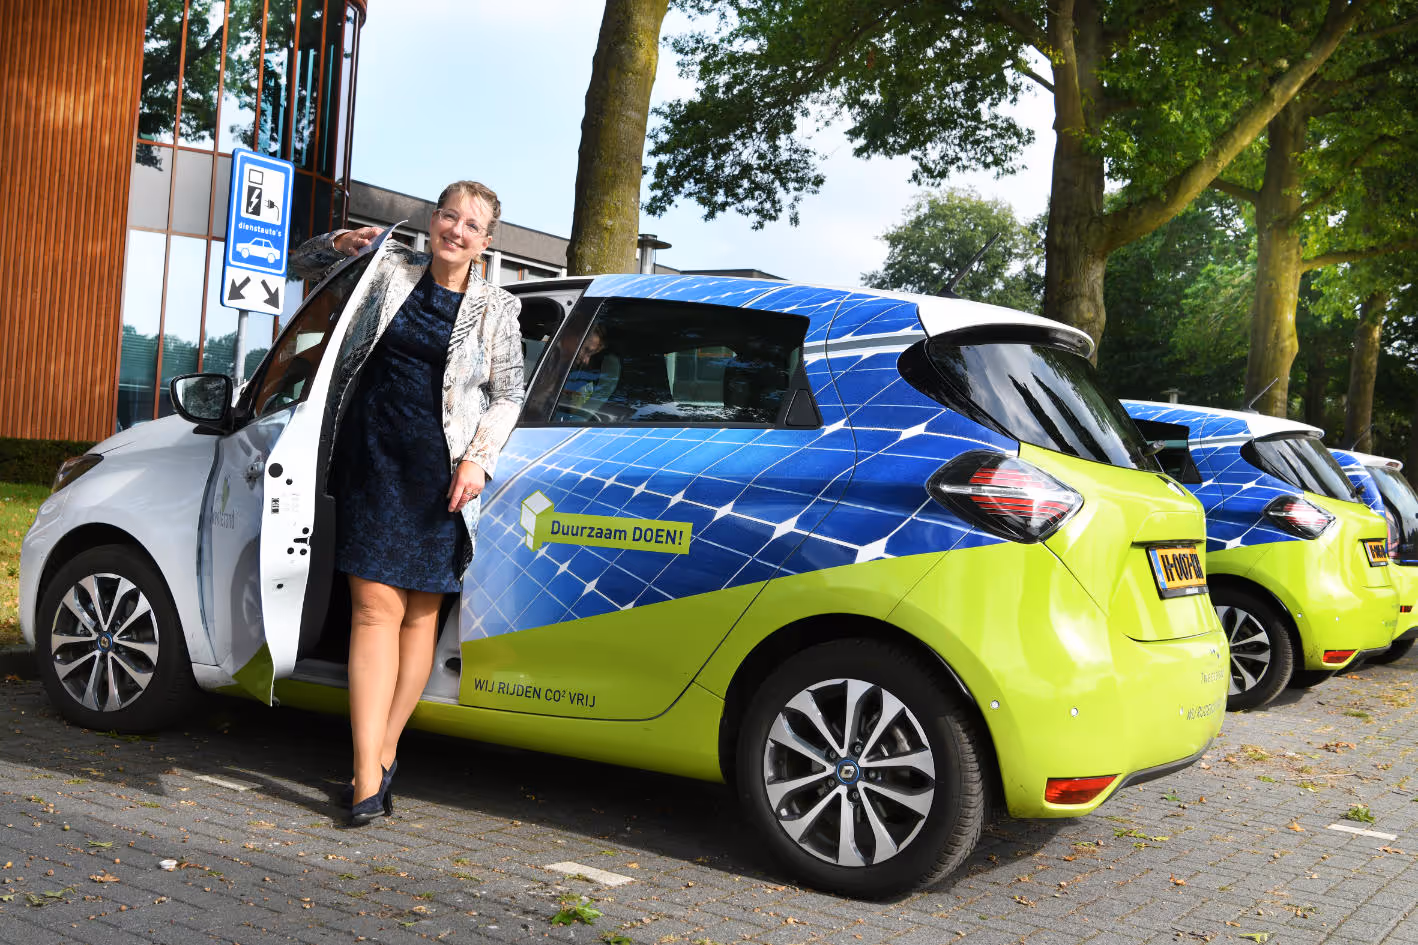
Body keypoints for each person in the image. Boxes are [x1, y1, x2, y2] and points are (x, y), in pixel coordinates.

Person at [288, 181, 524, 826]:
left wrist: (478, 459)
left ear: (485, 241)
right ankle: (367, 774)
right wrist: (345, 241)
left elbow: (508, 395)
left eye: (471, 225)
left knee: (420, 616)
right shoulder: (388, 271)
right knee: (373, 611)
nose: (456, 230)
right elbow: (304, 262)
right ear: (433, 219)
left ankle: (384, 750)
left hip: (442, 478)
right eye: (449, 216)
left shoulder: (498, 308)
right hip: (374, 465)